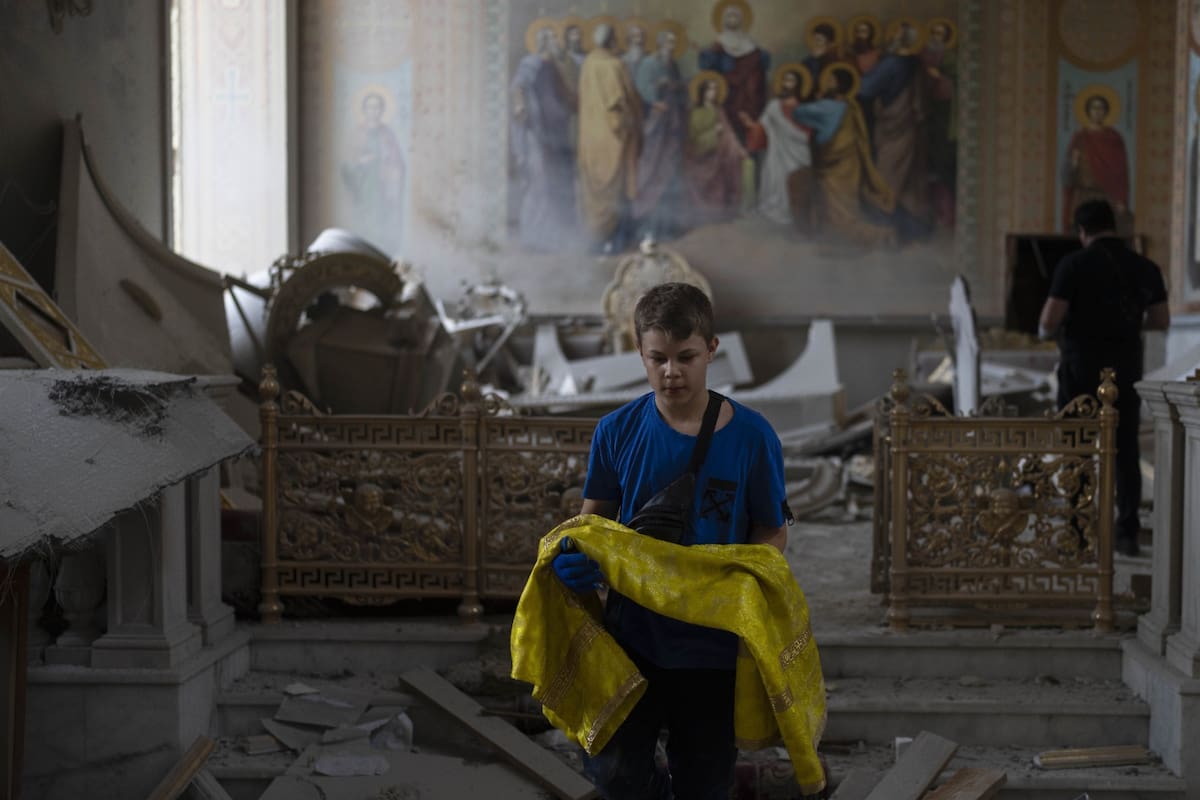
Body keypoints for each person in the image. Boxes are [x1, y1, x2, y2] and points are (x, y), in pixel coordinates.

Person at [552, 282, 793, 800]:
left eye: (686, 357)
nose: (671, 372)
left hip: (712, 645)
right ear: (639, 353)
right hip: (631, 634)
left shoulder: (753, 437)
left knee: (704, 782)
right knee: (616, 775)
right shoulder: (615, 431)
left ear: (712, 349)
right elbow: (593, 523)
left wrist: (748, 578)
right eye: (657, 358)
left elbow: (772, 529)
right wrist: (574, 558)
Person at [1038, 199, 1170, 557]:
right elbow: (1161, 321)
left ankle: (1079, 531)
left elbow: (1049, 321)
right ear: (1114, 225)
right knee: (1125, 450)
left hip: (1080, 370)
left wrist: (1052, 331)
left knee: (1078, 449)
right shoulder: (1146, 267)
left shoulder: (1073, 264)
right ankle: (1126, 533)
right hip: (1125, 369)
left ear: (1082, 231)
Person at [510, 23, 578, 251]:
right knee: (540, 184)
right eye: (554, 38)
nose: (558, 42)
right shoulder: (531, 63)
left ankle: (555, 237)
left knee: (559, 183)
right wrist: (520, 106)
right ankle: (534, 237)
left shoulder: (557, 68)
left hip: (557, 133)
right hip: (538, 132)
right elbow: (518, 86)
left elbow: (567, 97)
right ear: (544, 42)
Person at [577, 22, 643, 252]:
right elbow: (621, 101)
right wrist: (634, 116)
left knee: (593, 188)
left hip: (590, 136)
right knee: (618, 186)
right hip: (615, 137)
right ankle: (616, 240)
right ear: (612, 40)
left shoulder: (588, 64)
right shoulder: (615, 65)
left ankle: (595, 239)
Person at [741, 66, 815, 228]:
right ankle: (771, 208)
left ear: (798, 85)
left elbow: (807, 134)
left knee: (792, 180)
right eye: (785, 80)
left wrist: (797, 135)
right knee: (774, 177)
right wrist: (750, 124)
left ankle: (790, 212)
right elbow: (762, 128)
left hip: (797, 153)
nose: (786, 83)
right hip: (776, 153)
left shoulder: (803, 109)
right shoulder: (773, 106)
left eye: (791, 80)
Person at [632, 29, 688, 239]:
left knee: (670, 171)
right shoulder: (649, 63)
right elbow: (640, 91)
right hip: (655, 126)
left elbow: (680, 92)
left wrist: (677, 88)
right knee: (652, 170)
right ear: (660, 42)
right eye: (669, 41)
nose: (671, 45)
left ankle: (667, 226)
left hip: (672, 124)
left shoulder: (673, 65)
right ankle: (648, 224)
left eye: (674, 42)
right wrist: (657, 91)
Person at [682, 74, 753, 226]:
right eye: (709, 89)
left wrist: (739, 149)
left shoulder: (719, 110)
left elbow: (729, 133)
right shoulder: (694, 112)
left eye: (714, 89)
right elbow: (692, 141)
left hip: (719, 153)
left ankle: (727, 212)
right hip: (700, 157)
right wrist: (713, 133)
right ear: (702, 92)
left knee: (738, 162)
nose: (712, 93)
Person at [698, 0, 769, 144]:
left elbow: (759, 63)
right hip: (728, 92)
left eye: (735, 16)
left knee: (747, 119)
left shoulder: (749, 42)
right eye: (729, 16)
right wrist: (706, 54)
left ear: (741, 20)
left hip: (747, 94)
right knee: (728, 122)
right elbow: (709, 66)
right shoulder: (719, 43)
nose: (732, 20)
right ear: (724, 20)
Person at [1061, 92, 1131, 234]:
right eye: (1094, 108)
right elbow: (1066, 177)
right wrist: (1073, 164)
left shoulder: (1114, 138)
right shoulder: (1079, 138)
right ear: (1088, 111)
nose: (1098, 111)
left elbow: (1121, 174)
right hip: (1083, 196)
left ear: (1106, 111)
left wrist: (1121, 199)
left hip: (1107, 197)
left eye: (1101, 108)